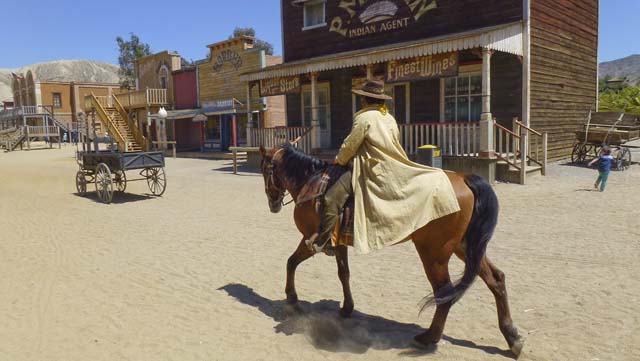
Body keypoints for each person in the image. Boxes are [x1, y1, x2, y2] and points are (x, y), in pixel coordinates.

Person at [305, 80, 460, 255]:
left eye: (362, 98)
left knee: (331, 199)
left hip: (368, 166)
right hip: (390, 165)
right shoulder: (389, 118)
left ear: (364, 100)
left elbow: (351, 145)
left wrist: (339, 160)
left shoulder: (363, 118)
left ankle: (324, 242)